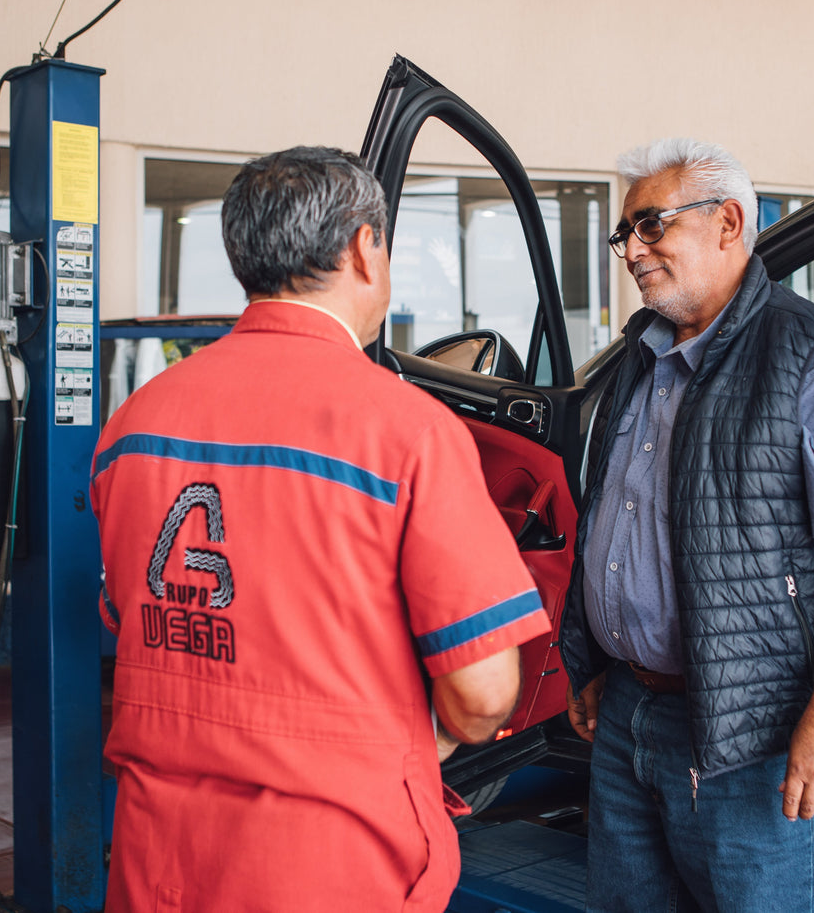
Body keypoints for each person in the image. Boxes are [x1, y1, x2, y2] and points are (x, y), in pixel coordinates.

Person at [92, 146, 551, 912]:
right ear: (364, 249)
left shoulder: (135, 423)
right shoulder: (407, 430)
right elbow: (481, 694)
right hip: (332, 859)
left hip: (157, 855)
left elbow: (138, 621)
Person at [560, 139, 814, 912]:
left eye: (651, 226)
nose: (632, 251)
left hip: (752, 727)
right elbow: (608, 521)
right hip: (627, 712)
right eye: (625, 235)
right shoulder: (637, 360)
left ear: (727, 222)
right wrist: (589, 654)